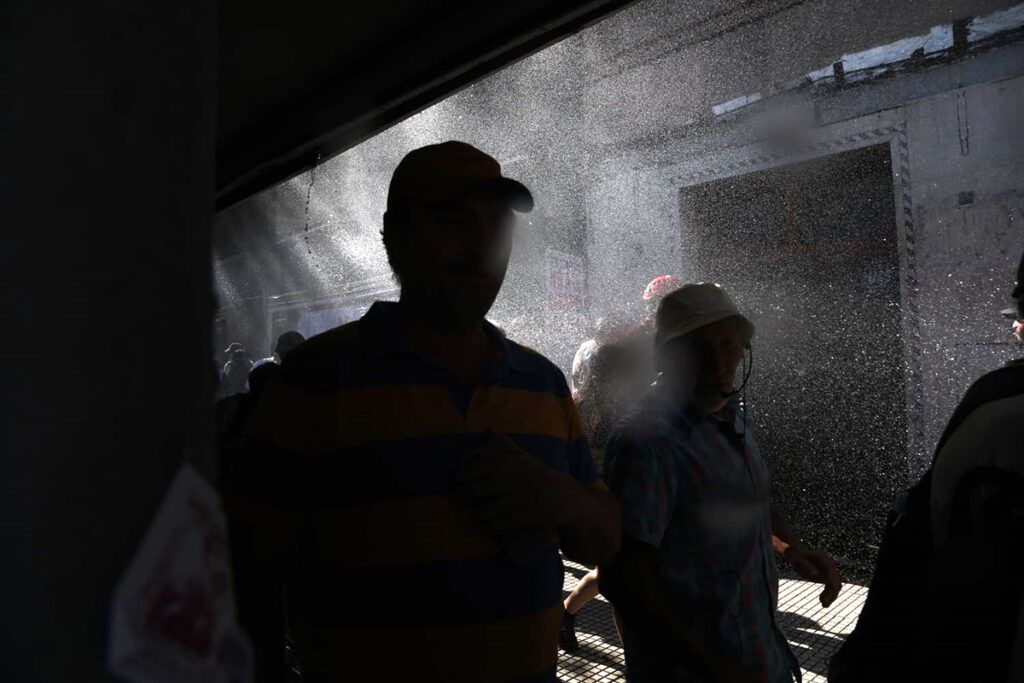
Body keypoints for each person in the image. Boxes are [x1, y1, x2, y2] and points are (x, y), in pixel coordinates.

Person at [226, 141, 620, 683]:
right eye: (454, 222)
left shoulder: (543, 384)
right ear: (395, 237)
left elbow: (604, 540)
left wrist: (564, 498)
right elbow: (247, 570)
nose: (483, 245)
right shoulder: (315, 381)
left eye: (497, 227)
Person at [600, 283, 842, 682]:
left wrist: (793, 549)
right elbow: (625, 581)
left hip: (761, 659)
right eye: (698, 349)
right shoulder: (647, 441)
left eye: (727, 345)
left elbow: (750, 498)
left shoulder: (733, 415)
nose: (717, 365)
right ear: (669, 359)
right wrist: (718, 671)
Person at [829, 252, 1024, 683]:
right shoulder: (1000, 407)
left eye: (1019, 317)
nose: (1013, 327)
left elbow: (931, 531)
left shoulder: (996, 406)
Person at [560, 340, 649, 653]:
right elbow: (576, 456)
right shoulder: (585, 406)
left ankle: (566, 613)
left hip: (625, 497)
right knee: (619, 580)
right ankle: (635, 663)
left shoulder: (629, 402)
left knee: (612, 574)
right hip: (601, 501)